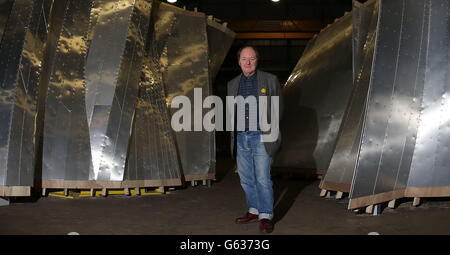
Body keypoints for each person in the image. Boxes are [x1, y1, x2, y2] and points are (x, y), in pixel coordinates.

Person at [227, 45, 283, 233]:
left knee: (262, 178)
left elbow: (278, 109)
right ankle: (254, 210)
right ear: (239, 62)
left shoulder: (270, 80)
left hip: (261, 135)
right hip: (241, 136)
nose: (248, 63)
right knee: (245, 178)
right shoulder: (232, 84)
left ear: (257, 60)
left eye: (251, 59)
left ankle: (266, 215)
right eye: (244, 59)